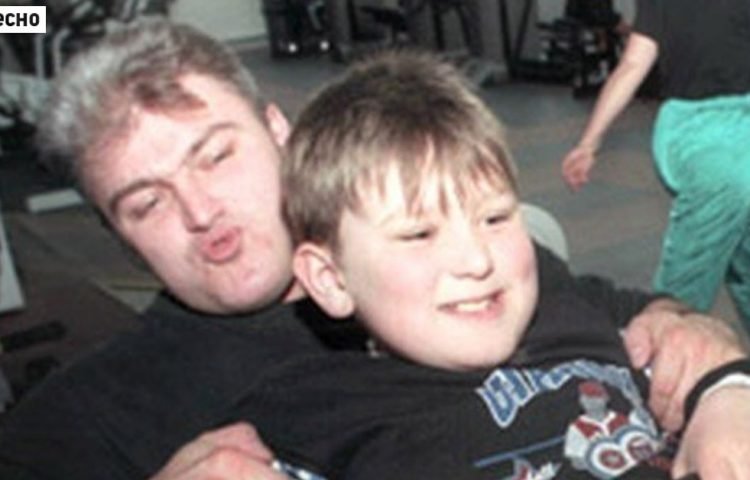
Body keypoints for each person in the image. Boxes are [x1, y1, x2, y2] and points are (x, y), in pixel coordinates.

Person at [0, 19, 744, 480]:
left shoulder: (482, 263)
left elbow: (615, 310)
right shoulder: (87, 417)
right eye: (147, 203)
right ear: (119, 238)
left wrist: (706, 356)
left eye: (216, 155)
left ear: (279, 131)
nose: (201, 211)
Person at [277, 49, 750, 479]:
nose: (476, 259)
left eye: (496, 218)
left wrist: (724, 394)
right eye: (419, 234)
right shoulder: (327, 422)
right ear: (330, 280)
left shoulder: (581, 319)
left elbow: (700, 358)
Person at [561, 0, 750, 330]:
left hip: (739, 121)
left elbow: (632, 64)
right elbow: (632, 65)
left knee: (742, 250)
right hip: (697, 131)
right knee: (694, 259)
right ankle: (660, 335)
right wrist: (588, 142)